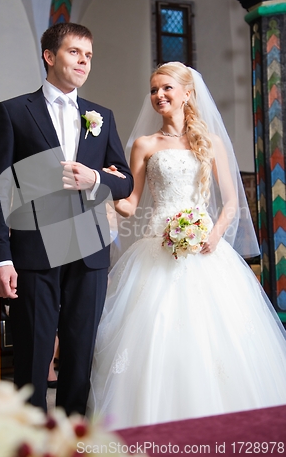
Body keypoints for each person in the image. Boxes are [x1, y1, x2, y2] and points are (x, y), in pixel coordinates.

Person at [87, 62, 286, 430]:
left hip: (205, 252)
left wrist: (213, 234)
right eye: (153, 90)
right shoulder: (144, 145)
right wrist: (107, 186)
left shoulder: (210, 143)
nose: (158, 95)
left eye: (166, 88)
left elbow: (230, 202)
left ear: (187, 93)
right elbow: (130, 206)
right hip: (154, 251)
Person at [0, 22, 133, 414]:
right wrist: (1, 256)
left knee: (80, 356)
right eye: (74, 53)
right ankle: (30, 441)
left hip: (89, 252)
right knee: (32, 359)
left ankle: (73, 438)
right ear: (50, 57)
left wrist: (95, 177)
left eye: (88, 56)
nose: (84, 62)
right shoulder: (15, 112)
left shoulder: (101, 116)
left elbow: (125, 183)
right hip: (33, 251)